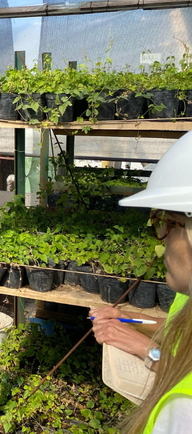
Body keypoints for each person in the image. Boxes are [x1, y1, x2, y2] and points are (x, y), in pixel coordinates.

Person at [90, 132, 192, 433]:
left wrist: (144, 348)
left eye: (167, 223)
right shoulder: (188, 296)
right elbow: (180, 335)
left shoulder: (183, 411)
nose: (160, 242)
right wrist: (129, 319)